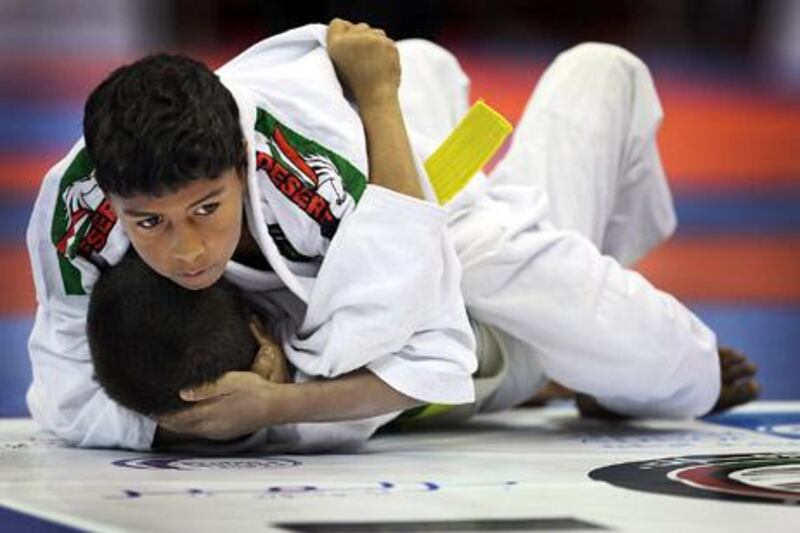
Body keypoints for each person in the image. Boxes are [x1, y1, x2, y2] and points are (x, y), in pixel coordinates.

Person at [26, 19, 757, 451]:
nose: (184, 251)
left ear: (242, 170)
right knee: (601, 71)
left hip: (408, 178)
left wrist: (377, 94)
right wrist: (255, 413)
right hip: (459, 317)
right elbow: (60, 390)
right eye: (147, 221)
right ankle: (623, 372)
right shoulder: (77, 211)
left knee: (639, 350)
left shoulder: (307, 173)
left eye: (206, 209)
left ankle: (636, 371)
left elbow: (428, 329)